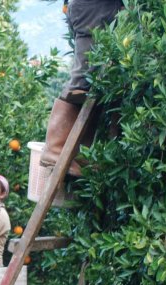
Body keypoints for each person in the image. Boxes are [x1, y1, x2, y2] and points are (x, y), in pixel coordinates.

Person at [41, 0, 123, 176]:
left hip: (97, 9)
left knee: (94, 89)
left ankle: (79, 155)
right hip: (93, 9)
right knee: (83, 82)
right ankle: (55, 149)